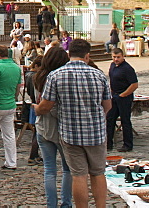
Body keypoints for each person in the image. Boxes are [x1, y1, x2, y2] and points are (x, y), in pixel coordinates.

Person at [36, 38, 111, 208]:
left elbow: (46, 105)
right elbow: (107, 105)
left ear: (69, 54)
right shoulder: (99, 75)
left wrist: (36, 110)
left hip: (71, 133)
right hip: (96, 133)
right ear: (87, 55)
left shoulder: (56, 76)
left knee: (79, 175)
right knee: (98, 173)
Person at [34, 46, 73, 208]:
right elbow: (54, 107)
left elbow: (38, 101)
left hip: (43, 127)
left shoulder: (38, 77)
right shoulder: (61, 79)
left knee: (49, 170)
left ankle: (51, 204)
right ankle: (66, 203)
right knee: (67, 169)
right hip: (60, 128)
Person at [106, 48, 138, 152]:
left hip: (124, 97)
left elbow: (134, 84)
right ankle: (108, 143)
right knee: (110, 119)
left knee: (125, 120)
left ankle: (127, 144)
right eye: (114, 57)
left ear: (123, 56)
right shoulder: (112, 66)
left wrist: (123, 95)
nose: (116, 59)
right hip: (113, 96)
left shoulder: (127, 68)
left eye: (118, 57)